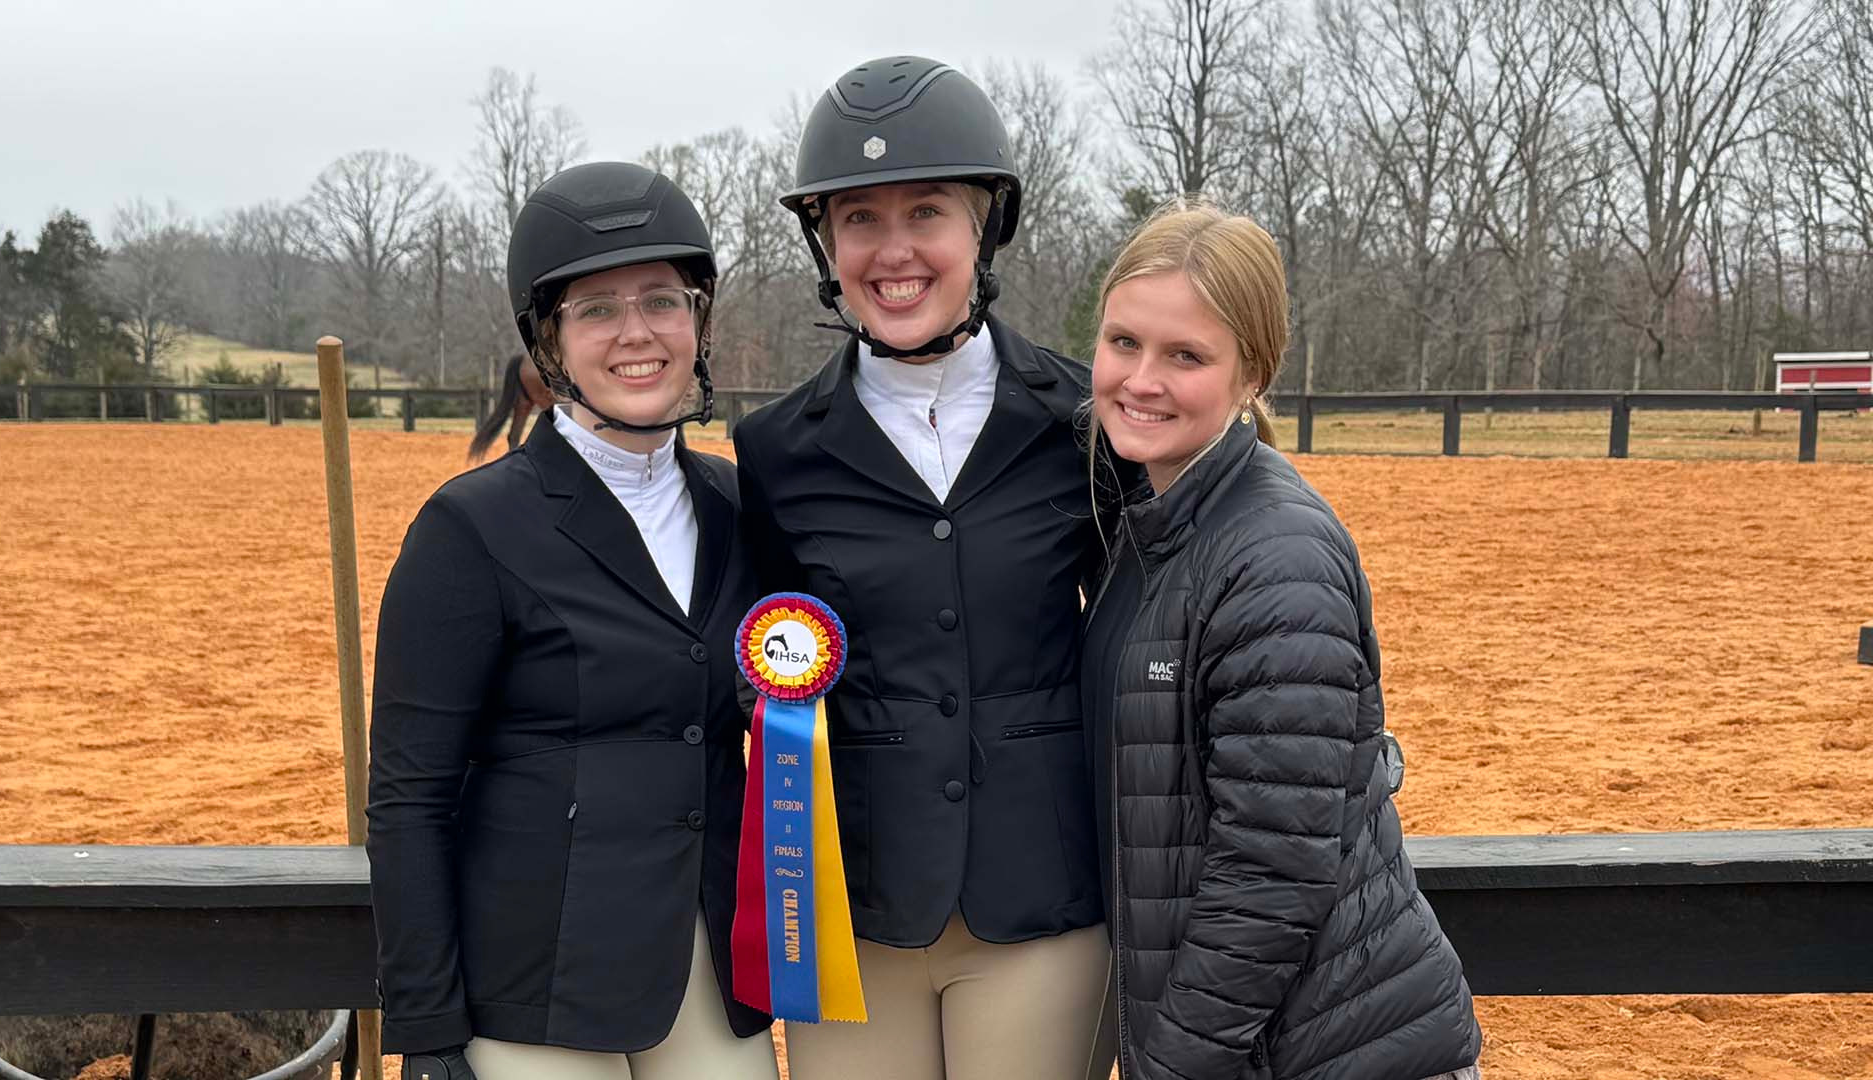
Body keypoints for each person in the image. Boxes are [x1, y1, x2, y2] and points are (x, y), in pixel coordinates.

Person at [732, 56, 1117, 1080]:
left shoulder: (1084, 422)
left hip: (1041, 904)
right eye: (859, 218)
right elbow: (757, 661)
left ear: (984, 228)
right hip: (853, 919)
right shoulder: (775, 451)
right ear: (826, 241)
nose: (893, 251)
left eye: (927, 213)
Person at [366, 161, 779, 1080]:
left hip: (703, 971)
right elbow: (408, 798)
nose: (637, 333)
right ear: (549, 342)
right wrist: (426, 1028)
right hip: (532, 983)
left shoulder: (739, 507)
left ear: (698, 323)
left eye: (662, 302)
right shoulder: (470, 528)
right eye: (596, 309)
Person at [1080, 198, 1483, 1080]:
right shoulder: (1151, 513)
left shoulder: (1275, 556)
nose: (1140, 379)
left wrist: (1175, 1067)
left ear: (1252, 373)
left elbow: (1271, 869)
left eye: (1185, 355)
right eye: (1122, 343)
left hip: (1323, 1053)